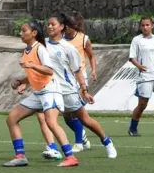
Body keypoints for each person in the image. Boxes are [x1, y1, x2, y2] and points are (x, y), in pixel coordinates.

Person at [33, 13, 117, 160]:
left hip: (67, 90)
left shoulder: (68, 48)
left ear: (62, 27)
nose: (49, 26)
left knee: (85, 120)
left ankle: (107, 141)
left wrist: (84, 90)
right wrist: (23, 82)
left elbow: (77, 71)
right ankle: (53, 148)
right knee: (45, 118)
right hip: (49, 90)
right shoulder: (42, 45)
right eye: (48, 24)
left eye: (53, 24)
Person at [4, 21, 78, 167]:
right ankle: (20, 156)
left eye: (24, 30)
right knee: (11, 119)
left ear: (34, 33)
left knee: (51, 122)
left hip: (51, 90)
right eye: (20, 31)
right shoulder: (26, 51)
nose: (20, 33)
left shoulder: (40, 49)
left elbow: (49, 70)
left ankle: (71, 157)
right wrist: (21, 81)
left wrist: (32, 65)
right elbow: (34, 73)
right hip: (39, 93)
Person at [59, 11, 97, 152]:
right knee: (67, 114)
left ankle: (79, 143)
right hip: (65, 79)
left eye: (68, 26)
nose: (66, 28)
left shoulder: (83, 39)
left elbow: (91, 56)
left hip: (80, 78)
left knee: (77, 111)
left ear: (74, 26)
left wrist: (93, 70)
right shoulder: (60, 40)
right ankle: (83, 138)